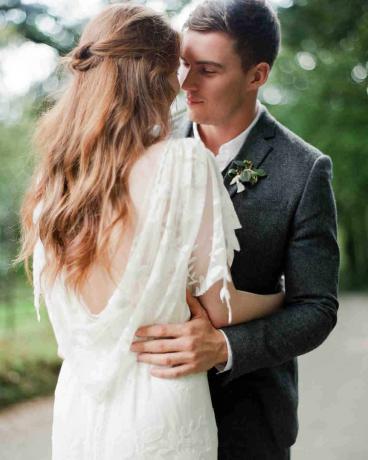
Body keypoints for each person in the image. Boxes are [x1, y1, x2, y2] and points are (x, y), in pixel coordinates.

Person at [16, 3, 285, 459]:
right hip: (163, 411)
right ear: (158, 78)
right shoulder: (181, 165)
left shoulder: (51, 184)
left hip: (79, 419)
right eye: (179, 68)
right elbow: (218, 308)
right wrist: (282, 294)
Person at [131, 0, 340, 459]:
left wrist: (224, 346)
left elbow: (317, 308)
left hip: (247, 419)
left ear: (256, 75)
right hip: (144, 411)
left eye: (207, 69)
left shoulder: (304, 170)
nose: (185, 83)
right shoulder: (146, 142)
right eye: (183, 64)